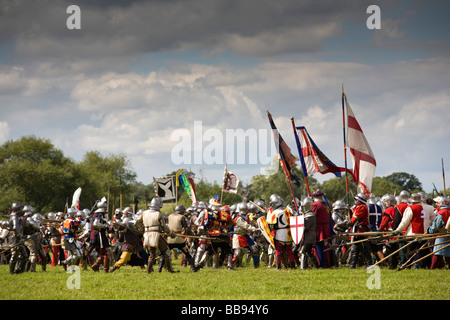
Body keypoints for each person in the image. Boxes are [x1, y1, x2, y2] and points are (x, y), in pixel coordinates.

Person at [393, 193, 434, 269]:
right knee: (424, 251)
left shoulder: (410, 208)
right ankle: (427, 266)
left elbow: (405, 222)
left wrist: (398, 230)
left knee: (410, 251)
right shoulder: (430, 208)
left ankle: (407, 266)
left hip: (413, 233)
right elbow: (433, 220)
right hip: (425, 233)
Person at [136, 197, 177, 273]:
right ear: (158, 205)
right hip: (156, 235)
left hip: (147, 235)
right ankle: (170, 269)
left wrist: (142, 229)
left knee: (152, 254)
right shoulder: (158, 214)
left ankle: (149, 270)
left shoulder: (144, 213)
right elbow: (164, 227)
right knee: (166, 251)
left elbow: (137, 221)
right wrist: (171, 233)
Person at [197, 198, 236, 270]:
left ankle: (201, 263)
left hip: (213, 235)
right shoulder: (225, 214)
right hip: (224, 236)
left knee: (209, 250)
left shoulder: (208, 214)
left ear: (212, 206)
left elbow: (203, 225)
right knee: (228, 251)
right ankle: (229, 266)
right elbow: (232, 223)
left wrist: (207, 230)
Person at [164, 205, 199, 272]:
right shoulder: (182, 217)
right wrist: (192, 234)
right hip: (179, 240)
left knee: (164, 254)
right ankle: (194, 269)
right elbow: (187, 229)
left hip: (169, 240)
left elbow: (165, 226)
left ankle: (160, 269)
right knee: (187, 253)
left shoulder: (168, 216)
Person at [267, 194, 296, 269]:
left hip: (280, 234)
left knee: (278, 250)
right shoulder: (289, 210)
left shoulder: (275, 212)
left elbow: (271, 225)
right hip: (289, 233)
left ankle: (278, 266)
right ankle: (293, 266)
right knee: (289, 250)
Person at [347, 193, 373, 269]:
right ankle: (352, 265)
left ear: (360, 200)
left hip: (360, 230)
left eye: (356, 199)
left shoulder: (362, 207)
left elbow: (356, 218)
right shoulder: (358, 207)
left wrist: (350, 222)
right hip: (356, 229)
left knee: (364, 247)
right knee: (355, 248)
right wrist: (349, 210)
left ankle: (370, 263)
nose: (355, 201)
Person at [231, 202, 260, 269]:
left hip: (245, 236)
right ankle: (231, 265)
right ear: (244, 210)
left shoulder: (247, 217)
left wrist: (257, 224)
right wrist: (254, 229)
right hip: (238, 237)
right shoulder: (239, 218)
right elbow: (246, 226)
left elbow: (251, 224)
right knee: (238, 253)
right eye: (247, 209)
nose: (248, 210)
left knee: (254, 249)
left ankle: (256, 266)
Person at [89, 198, 112, 272]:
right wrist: (105, 226)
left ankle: (98, 267)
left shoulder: (98, 214)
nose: (106, 209)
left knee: (102, 252)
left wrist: (109, 227)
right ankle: (100, 267)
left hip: (97, 234)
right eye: (105, 207)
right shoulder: (99, 214)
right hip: (99, 235)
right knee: (106, 252)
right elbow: (96, 224)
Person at [427, 196, 450, 269]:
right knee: (448, 254)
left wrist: (430, 231)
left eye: (438, 203)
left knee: (437, 252)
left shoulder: (441, 213)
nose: (436, 204)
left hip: (441, 235)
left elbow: (436, 226)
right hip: (448, 235)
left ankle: (432, 268)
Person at [311, 189, 331, 268]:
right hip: (325, 227)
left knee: (319, 246)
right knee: (325, 246)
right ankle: (327, 263)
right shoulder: (325, 204)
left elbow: (312, 216)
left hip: (319, 228)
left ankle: (321, 264)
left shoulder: (316, 205)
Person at [8, 202, 28, 274]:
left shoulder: (15, 216)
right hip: (15, 239)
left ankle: (19, 271)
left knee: (24, 256)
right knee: (14, 256)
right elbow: (15, 228)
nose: (22, 210)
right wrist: (20, 237)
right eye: (21, 209)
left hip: (17, 238)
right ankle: (12, 272)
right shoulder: (14, 217)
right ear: (17, 209)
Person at [379, 193, 399, 269]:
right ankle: (394, 264)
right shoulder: (396, 209)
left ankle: (391, 265)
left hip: (390, 232)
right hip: (396, 231)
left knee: (390, 249)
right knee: (394, 249)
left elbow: (384, 222)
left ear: (389, 201)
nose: (385, 203)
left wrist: (379, 230)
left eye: (386, 201)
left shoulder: (388, 210)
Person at [299, 197, 318, 269]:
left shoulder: (310, 215)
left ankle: (303, 267)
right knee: (309, 252)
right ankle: (316, 265)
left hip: (309, 235)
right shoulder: (308, 214)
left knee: (303, 251)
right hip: (310, 235)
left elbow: (305, 227)